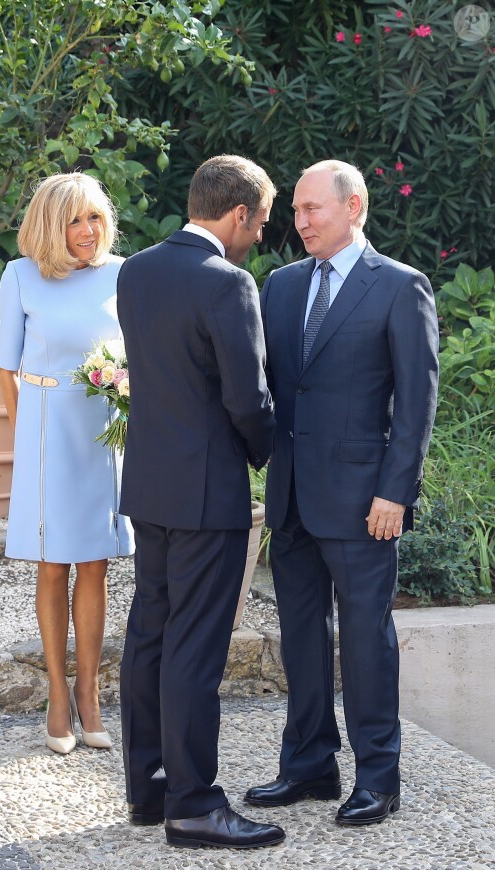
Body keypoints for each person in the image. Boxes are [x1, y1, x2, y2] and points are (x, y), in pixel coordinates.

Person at [244, 160, 439, 825]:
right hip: (293, 496)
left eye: (311, 210)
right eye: (294, 211)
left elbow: (417, 403)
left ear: (353, 206)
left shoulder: (400, 288)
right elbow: (270, 388)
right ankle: (308, 768)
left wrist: (396, 491)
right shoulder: (282, 285)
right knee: (300, 635)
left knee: (364, 641)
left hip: (364, 504)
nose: (299, 223)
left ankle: (379, 779)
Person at [116, 155, 285, 849]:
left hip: (150, 484)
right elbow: (246, 398)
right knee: (194, 648)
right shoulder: (228, 282)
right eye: (263, 222)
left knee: (150, 636)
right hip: (208, 491)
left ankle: (149, 788)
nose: (261, 237)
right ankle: (193, 804)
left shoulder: (137, 270)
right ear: (239, 213)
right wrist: (269, 448)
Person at [0, 172, 134, 755]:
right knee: (53, 565)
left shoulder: (124, 274)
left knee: (96, 564)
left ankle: (90, 693)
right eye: (75, 219)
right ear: (51, 224)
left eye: (96, 217)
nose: (88, 230)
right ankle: (57, 692)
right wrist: (25, 440)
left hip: (104, 432)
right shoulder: (21, 275)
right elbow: (7, 371)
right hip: (46, 429)